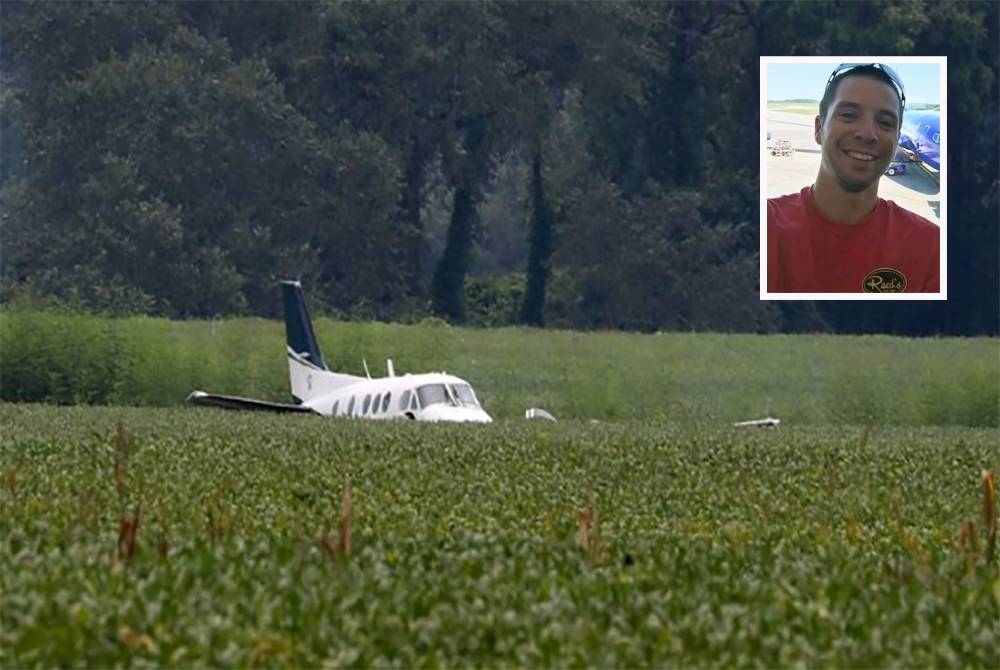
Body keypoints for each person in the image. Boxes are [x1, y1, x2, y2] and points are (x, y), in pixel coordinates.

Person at [767, 63, 939, 293]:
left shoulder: (931, 248)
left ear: (897, 139)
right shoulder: (765, 227)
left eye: (885, 123)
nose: (867, 133)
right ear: (819, 129)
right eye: (849, 115)